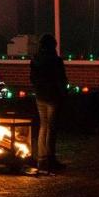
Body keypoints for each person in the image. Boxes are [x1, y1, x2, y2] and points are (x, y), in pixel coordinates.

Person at [29, 33, 68, 173]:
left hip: (40, 96)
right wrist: (63, 91)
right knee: (51, 127)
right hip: (53, 96)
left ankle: (41, 158)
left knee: (43, 125)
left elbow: (32, 79)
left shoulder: (35, 60)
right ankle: (50, 159)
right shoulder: (55, 61)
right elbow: (61, 79)